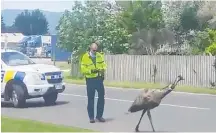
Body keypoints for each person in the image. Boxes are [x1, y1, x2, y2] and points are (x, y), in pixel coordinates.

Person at [80, 43, 107, 123]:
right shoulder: (85, 57)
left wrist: (102, 70)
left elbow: (104, 65)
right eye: (93, 50)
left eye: (96, 50)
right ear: (90, 49)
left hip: (99, 79)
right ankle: (91, 117)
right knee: (91, 99)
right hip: (90, 79)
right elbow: (83, 69)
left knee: (101, 97)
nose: (95, 51)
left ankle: (99, 116)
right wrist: (91, 71)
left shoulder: (99, 55)